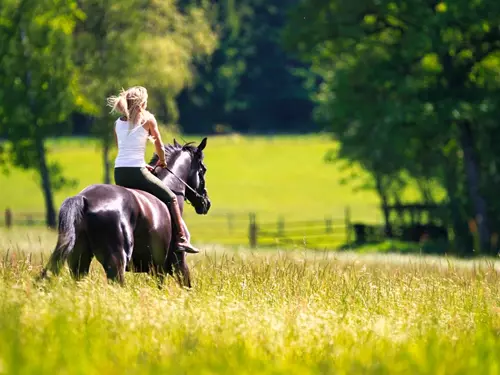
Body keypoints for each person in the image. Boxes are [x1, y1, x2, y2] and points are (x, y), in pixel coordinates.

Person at [107, 86, 199, 254]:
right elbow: (160, 147)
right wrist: (162, 162)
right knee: (171, 197)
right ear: (142, 103)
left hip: (119, 172)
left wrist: (141, 163)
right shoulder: (148, 120)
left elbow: (122, 148)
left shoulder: (117, 123)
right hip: (137, 173)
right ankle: (181, 239)